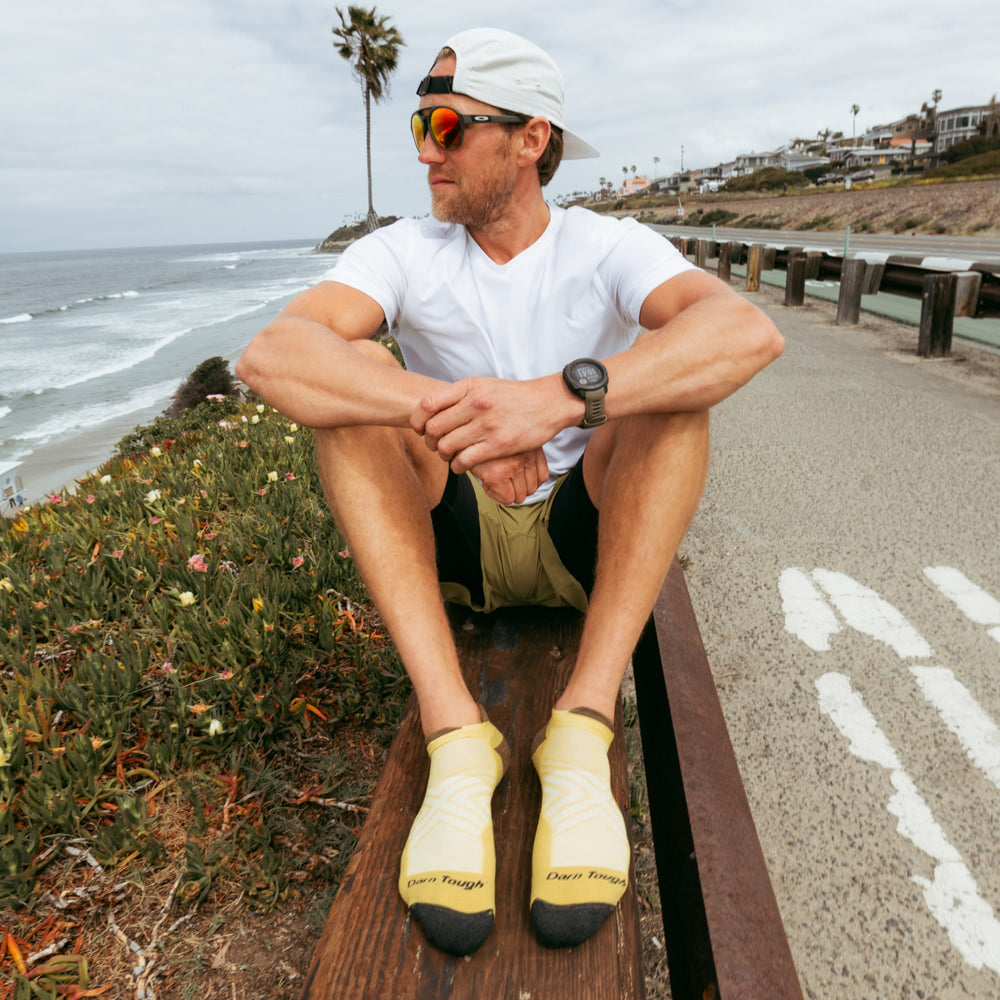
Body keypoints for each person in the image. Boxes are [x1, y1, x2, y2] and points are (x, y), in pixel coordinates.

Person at [237, 27, 784, 957]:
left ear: (531, 140)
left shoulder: (607, 244)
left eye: (448, 125)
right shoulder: (405, 251)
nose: (425, 150)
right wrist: (466, 422)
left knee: (673, 398)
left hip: (581, 539)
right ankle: (457, 736)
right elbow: (273, 356)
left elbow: (745, 334)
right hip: (455, 542)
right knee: (348, 403)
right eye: (421, 123)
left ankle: (581, 729)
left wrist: (556, 400)